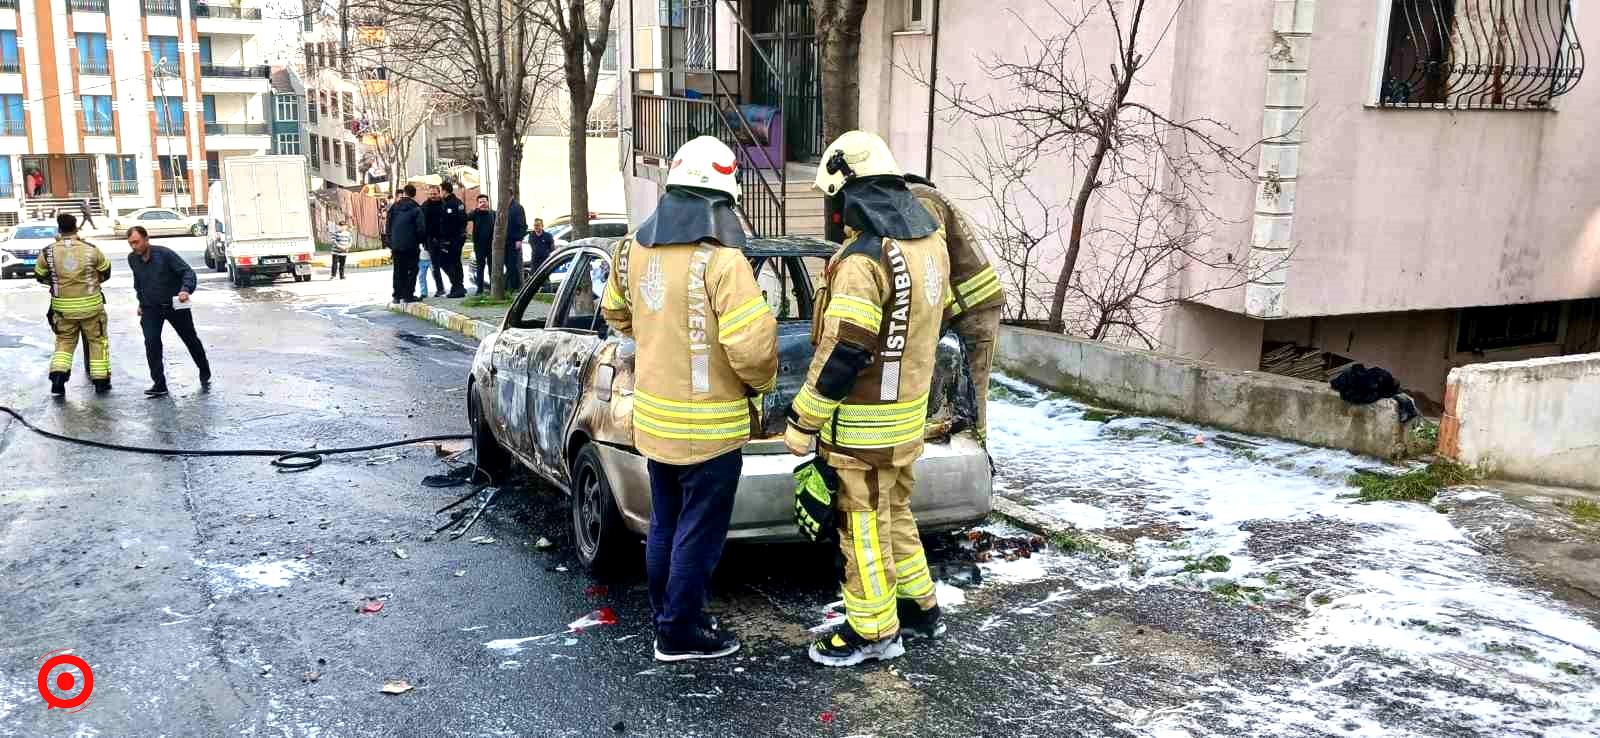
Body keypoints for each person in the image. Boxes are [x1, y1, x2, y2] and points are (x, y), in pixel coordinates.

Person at [600, 136, 778, 662]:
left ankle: (667, 620)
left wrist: (658, 338)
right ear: (716, 200)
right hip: (712, 429)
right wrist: (762, 385)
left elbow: (617, 313)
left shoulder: (631, 248)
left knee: (666, 525)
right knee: (698, 535)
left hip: (656, 422)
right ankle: (679, 633)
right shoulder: (722, 262)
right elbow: (752, 349)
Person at [784, 130, 950, 667]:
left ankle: (874, 630)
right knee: (895, 511)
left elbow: (845, 352)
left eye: (832, 199)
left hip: (861, 427)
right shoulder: (928, 244)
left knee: (861, 526)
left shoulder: (863, 260)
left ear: (847, 191)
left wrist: (803, 419)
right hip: (906, 417)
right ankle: (919, 607)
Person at [904, 174, 1004, 444]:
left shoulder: (920, 201)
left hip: (973, 309)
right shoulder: (927, 197)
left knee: (973, 390)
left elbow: (933, 264)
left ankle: (978, 453)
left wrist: (926, 321)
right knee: (960, 387)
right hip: (969, 305)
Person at [34, 213, 113, 396]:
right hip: (92, 308)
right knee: (97, 342)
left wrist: (55, 282)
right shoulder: (91, 249)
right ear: (76, 228)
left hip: (63, 311)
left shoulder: (48, 251)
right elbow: (106, 271)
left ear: (59, 230)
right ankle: (101, 383)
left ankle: (58, 381)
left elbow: (39, 274)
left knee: (64, 343)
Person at [127, 225, 211, 397]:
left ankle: (204, 369)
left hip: (174, 305)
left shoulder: (164, 254)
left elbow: (187, 272)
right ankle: (159, 384)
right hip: (151, 308)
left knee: (190, 339)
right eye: (131, 243)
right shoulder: (132, 259)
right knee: (151, 343)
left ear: (146, 239)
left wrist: (185, 289)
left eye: (136, 242)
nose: (134, 247)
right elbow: (139, 282)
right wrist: (141, 303)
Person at [386, 186, 426, 303]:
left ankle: (397, 295)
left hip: (396, 245)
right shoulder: (416, 208)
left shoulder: (394, 208)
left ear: (404, 193)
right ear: (414, 194)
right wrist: (420, 241)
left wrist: (391, 243)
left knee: (398, 270)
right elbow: (421, 229)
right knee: (412, 270)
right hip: (411, 245)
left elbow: (388, 226)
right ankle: (408, 295)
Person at [438, 181, 468, 297]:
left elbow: (452, 223)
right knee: (455, 262)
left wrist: (446, 239)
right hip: (457, 238)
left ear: (445, 191)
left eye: (440, 190)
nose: (440, 193)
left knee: (447, 262)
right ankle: (458, 286)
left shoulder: (450, 204)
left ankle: (457, 286)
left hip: (452, 239)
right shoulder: (457, 202)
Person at [466, 194, 496, 295]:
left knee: (492, 268)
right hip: (479, 246)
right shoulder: (475, 214)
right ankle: (480, 289)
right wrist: (475, 210)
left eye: (484, 201)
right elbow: (466, 218)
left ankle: (493, 288)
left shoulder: (493, 214)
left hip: (492, 246)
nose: (483, 204)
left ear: (488, 202)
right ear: (478, 204)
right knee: (480, 267)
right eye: (480, 202)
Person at [421, 186, 447, 297]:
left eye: (435, 194)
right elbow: (421, 225)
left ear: (439, 193)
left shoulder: (445, 204)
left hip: (445, 239)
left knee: (448, 264)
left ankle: (456, 284)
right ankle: (440, 288)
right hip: (430, 240)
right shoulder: (424, 206)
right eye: (431, 194)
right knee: (435, 267)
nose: (433, 196)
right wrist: (424, 241)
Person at [503, 192, 528, 292]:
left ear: (511, 196)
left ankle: (514, 286)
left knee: (512, 264)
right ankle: (509, 285)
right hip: (505, 241)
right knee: (507, 264)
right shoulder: (503, 207)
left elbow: (522, 225)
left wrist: (519, 239)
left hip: (513, 240)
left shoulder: (517, 208)